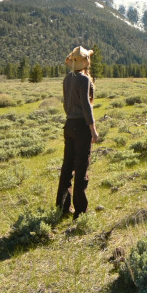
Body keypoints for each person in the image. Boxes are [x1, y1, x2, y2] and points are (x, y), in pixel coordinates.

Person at [56, 45, 100, 219]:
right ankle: (80, 211)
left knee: (67, 167)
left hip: (69, 125)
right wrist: (93, 129)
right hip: (81, 127)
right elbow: (86, 107)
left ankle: (62, 207)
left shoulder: (67, 79)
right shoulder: (84, 79)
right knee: (81, 168)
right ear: (86, 61)